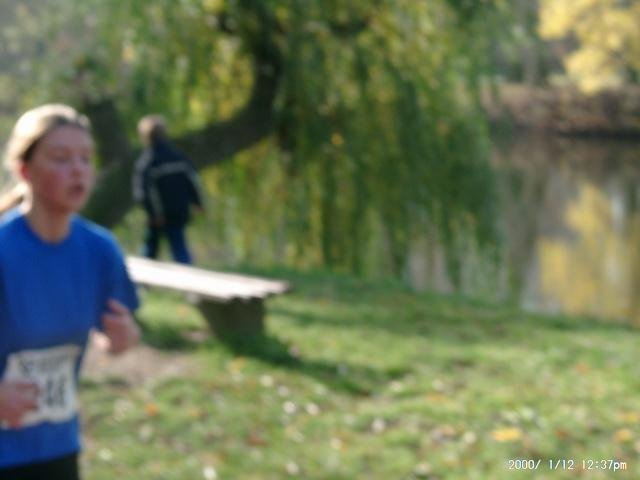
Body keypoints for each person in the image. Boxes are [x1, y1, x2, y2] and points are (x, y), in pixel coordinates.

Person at [0, 104, 141, 479]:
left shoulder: (99, 249)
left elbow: (114, 337)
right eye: (61, 158)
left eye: (86, 158)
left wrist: (123, 337)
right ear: (25, 170)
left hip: (57, 444)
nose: (78, 170)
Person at [133, 115, 203, 264]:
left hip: (158, 215)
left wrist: (154, 213)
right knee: (178, 244)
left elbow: (142, 192)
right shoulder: (179, 157)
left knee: (150, 248)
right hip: (179, 210)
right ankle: (187, 272)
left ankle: (142, 275)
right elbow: (193, 182)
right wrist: (197, 202)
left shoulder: (147, 162)